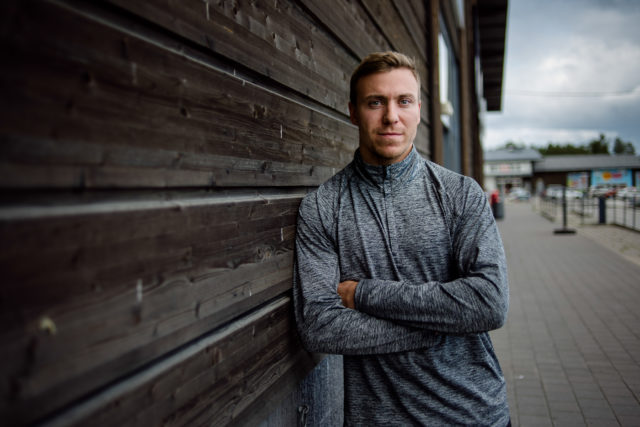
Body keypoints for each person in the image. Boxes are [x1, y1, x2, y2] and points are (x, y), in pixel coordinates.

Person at [293, 51, 510, 425]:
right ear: (353, 112)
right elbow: (318, 326)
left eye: (404, 101)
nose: (391, 116)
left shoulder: (461, 195)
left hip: (473, 413)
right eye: (375, 102)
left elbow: (489, 302)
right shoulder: (323, 207)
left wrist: (364, 294)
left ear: (419, 110)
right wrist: (439, 325)